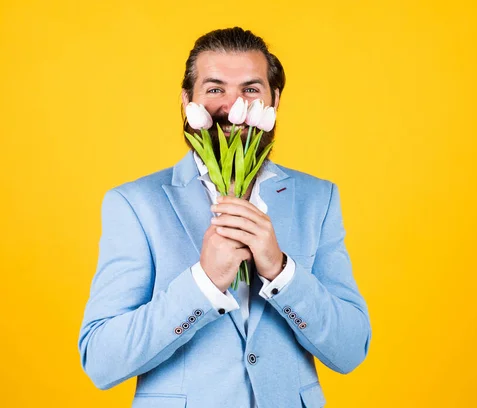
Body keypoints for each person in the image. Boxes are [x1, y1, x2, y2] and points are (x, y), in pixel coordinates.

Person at [78, 27, 371, 408]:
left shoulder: (319, 199)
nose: (235, 104)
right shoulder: (134, 204)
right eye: (215, 89)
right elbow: (101, 361)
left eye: (251, 89)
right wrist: (204, 283)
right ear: (187, 101)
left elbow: (350, 350)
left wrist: (282, 272)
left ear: (274, 99)